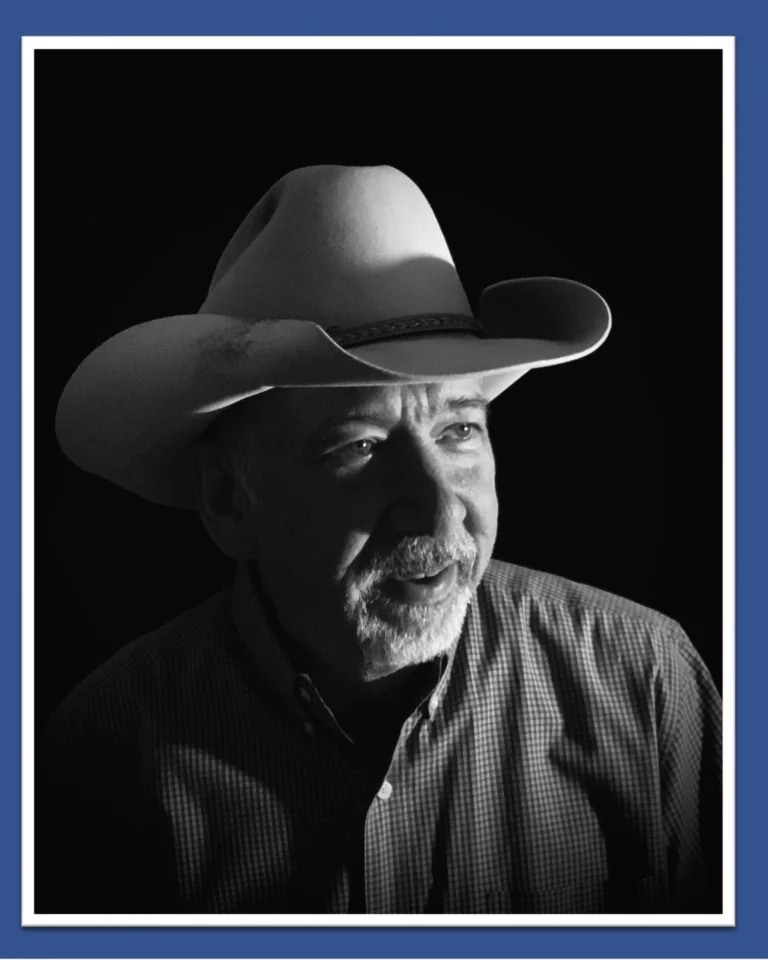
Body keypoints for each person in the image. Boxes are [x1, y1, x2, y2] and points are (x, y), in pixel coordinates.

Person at [37, 164, 722, 915]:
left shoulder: (644, 681)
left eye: (459, 431)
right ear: (230, 499)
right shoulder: (106, 755)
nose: (438, 513)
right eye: (359, 447)